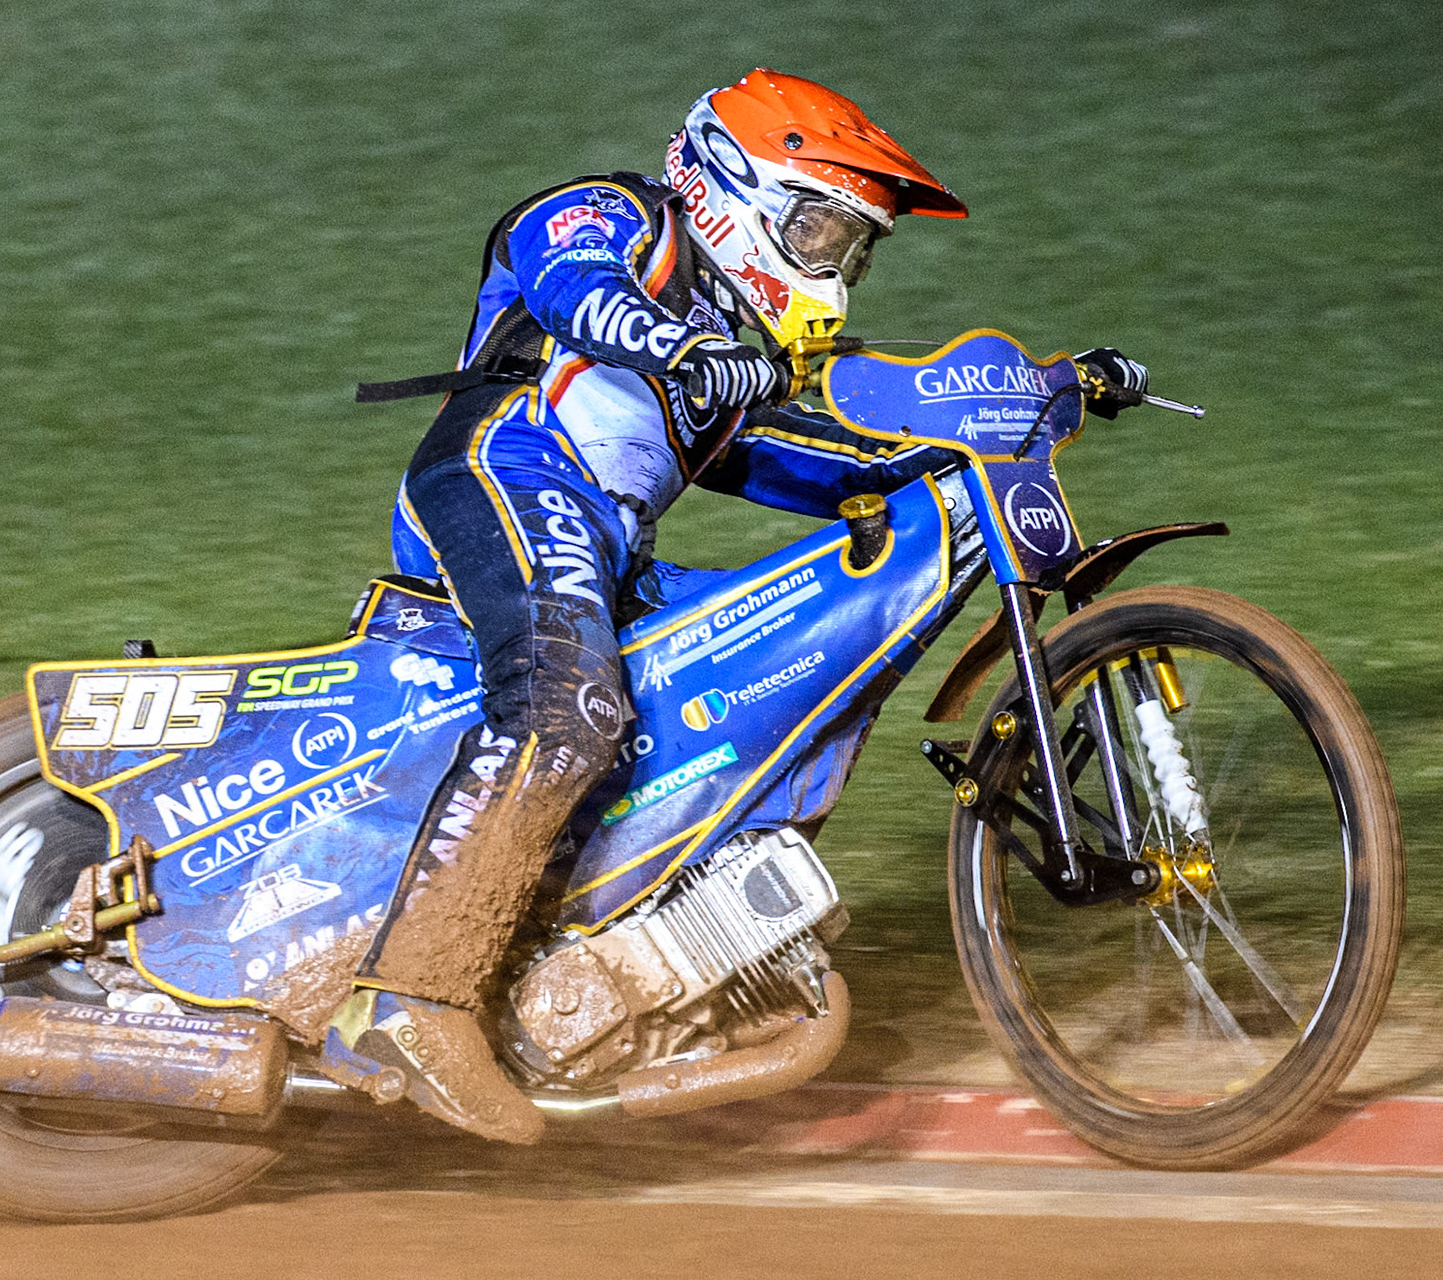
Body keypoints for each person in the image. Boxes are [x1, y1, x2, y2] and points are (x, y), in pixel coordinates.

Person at [319, 69, 1147, 1143]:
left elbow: (808, 462)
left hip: (606, 540)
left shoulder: (730, 363)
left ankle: (598, 951)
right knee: (570, 708)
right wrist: (677, 346)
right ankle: (407, 1001)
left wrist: (1008, 413)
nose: (833, 269)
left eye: (852, 247)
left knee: (731, 700)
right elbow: (563, 277)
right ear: (725, 188)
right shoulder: (623, 220)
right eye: (816, 228)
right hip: (500, 464)